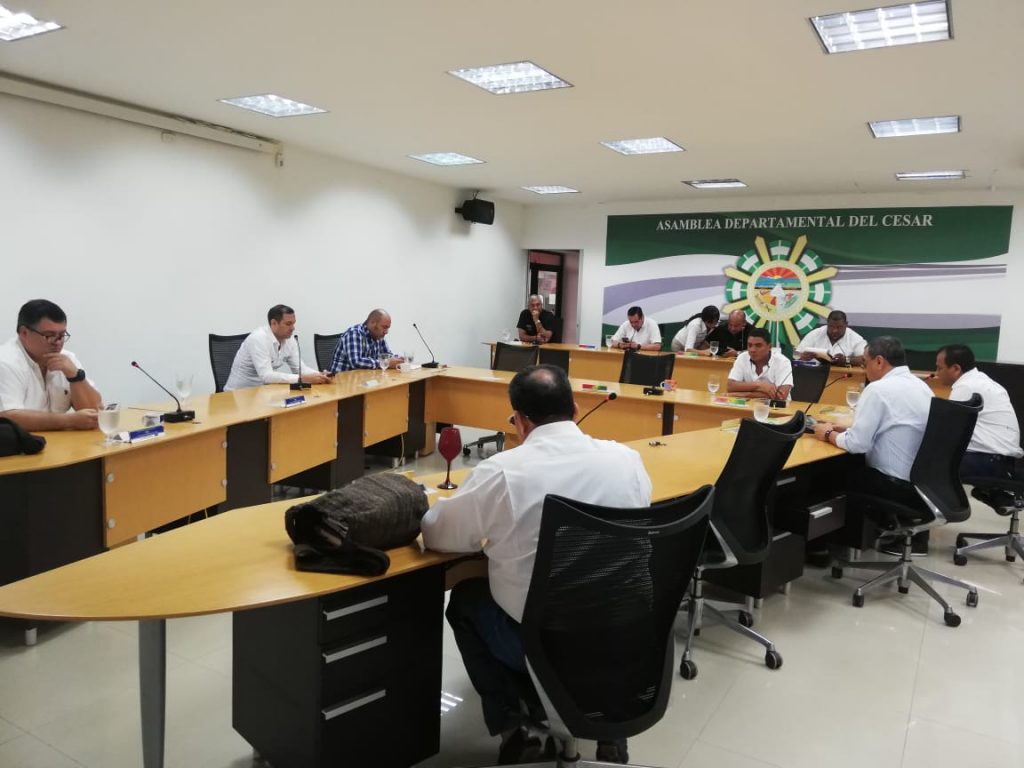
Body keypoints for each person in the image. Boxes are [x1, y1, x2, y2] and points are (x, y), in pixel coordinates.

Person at [421, 364, 652, 765]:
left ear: (520, 421)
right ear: (575, 409)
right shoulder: (626, 459)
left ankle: (515, 729)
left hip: (545, 648)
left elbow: (440, 535)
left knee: (465, 601)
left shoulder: (503, 471)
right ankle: (610, 734)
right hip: (623, 637)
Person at [812, 336, 934, 550]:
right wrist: (849, 431)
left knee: (821, 473)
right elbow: (893, 428)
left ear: (879, 361)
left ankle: (822, 548)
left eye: (864, 363)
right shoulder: (922, 387)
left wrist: (828, 432)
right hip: (923, 485)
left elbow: (857, 445)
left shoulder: (878, 389)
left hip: (894, 484)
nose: (864, 369)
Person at [0, 299, 102, 431]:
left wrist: (75, 376)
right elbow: (7, 418)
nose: (58, 342)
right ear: (24, 333)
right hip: (20, 443)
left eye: (61, 335)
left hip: (59, 441)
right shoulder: (5, 362)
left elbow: (95, 413)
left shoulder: (67, 359)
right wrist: (68, 421)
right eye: (49, 335)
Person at [934, 344, 1023, 481]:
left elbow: (949, 432)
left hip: (986, 460)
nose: (936, 373)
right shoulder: (983, 381)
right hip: (1002, 460)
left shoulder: (965, 387)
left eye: (940, 368)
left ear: (956, 368)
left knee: (927, 466)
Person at [224, 305, 332, 391]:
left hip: (264, 393)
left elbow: (300, 369)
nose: (293, 328)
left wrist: (320, 375)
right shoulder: (258, 339)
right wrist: (300, 379)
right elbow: (266, 376)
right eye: (288, 324)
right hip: (238, 396)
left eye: (293, 323)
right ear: (274, 323)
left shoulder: (290, 340)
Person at [726, 327, 793, 401]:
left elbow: (781, 396)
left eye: (758, 346)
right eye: (749, 345)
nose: (752, 350)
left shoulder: (782, 362)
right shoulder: (742, 357)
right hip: (747, 406)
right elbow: (730, 386)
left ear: (769, 347)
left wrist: (744, 395)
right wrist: (760, 385)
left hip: (776, 407)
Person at [330, 309, 402, 372]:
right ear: (373, 323)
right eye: (384, 327)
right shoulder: (354, 333)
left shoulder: (379, 335)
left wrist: (398, 359)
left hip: (364, 378)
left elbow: (387, 355)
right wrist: (385, 363)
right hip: (343, 380)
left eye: (388, 328)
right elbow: (356, 362)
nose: (386, 332)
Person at [795, 310, 867, 367]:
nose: (834, 330)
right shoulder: (815, 334)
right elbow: (796, 354)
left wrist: (846, 360)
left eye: (839, 327)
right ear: (827, 323)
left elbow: (865, 359)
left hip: (843, 376)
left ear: (846, 324)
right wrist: (802, 356)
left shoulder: (855, 338)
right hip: (815, 374)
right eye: (831, 326)